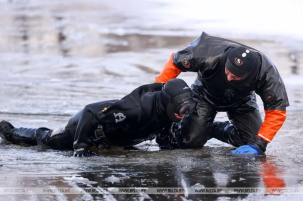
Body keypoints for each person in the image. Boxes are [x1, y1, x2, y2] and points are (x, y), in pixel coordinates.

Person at [155, 32, 289, 155]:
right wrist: (157, 94)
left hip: (242, 99)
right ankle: (188, 126)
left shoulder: (266, 74)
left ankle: (213, 129)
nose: (229, 78)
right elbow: (175, 62)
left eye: (235, 76)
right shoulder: (206, 52)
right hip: (205, 94)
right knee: (188, 142)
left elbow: (277, 111)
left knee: (251, 141)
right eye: (228, 72)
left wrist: (259, 144)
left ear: (249, 75)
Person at [0, 78, 196, 157]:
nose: (185, 112)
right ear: (168, 102)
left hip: (116, 137)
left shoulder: (168, 112)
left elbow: (163, 129)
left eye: (190, 107)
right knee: (45, 139)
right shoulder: (135, 109)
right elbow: (90, 112)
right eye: (183, 107)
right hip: (83, 128)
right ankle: (8, 131)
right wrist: (81, 146)